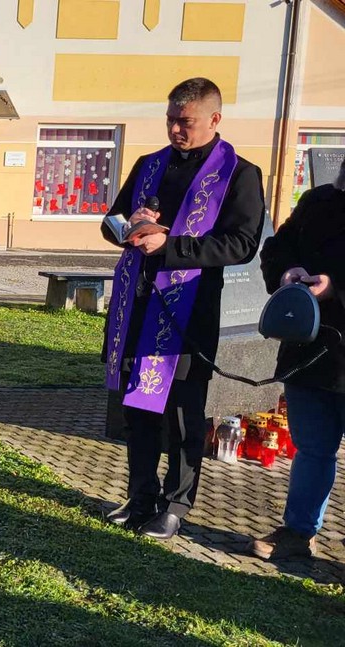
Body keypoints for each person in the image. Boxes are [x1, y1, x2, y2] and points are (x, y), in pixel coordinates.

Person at [100, 77, 265, 540]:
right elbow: (111, 220)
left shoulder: (239, 174)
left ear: (214, 119)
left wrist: (170, 245)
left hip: (186, 313)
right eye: (171, 119)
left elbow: (242, 243)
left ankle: (176, 503)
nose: (175, 129)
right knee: (136, 408)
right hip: (136, 303)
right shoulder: (148, 165)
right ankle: (140, 495)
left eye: (185, 121)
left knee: (180, 413)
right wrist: (127, 225)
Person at [249, 159, 345, 560]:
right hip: (310, 352)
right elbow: (276, 246)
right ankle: (297, 532)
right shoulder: (318, 200)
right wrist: (287, 271)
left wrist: (336, 288)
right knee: (312, 448)